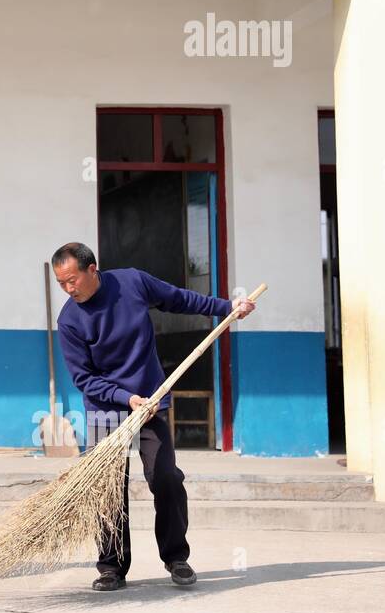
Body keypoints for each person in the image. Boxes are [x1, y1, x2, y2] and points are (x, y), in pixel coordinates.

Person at [50, 242, 254, 591]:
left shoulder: (132, 283)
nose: (69, 289)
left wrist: (227, 308)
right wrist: (124, 397)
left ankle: (176, 558)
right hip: (106, 409)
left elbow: (179, 299)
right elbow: (84, 378)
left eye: (72, 280)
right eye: (61, 284)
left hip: (150, 403)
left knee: (166, 479)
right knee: (106, 490)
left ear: (91, 269)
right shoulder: (69, 320)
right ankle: (111, 567)